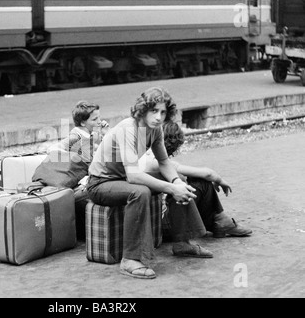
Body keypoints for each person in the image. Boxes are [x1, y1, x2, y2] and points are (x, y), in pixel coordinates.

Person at [86, 87, 213, 280]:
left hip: (121, 180)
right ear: (142, 110)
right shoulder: (129, 127)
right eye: (154, 111)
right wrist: (171, 188)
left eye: (163, 112)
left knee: (181, 182)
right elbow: (134, 176)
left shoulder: (155, 130)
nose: (159, 117)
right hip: (100, 184)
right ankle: (130, 259)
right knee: (140, 192)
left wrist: (177, 182)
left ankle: (182, 242)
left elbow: (164, 163)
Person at [161, 120, 252, 238]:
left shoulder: (149, 158)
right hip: (166, 226)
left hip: (162, 222)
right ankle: (220, 223)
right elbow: (208, 174)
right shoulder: (163, 163)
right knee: (203, 183)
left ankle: (219, 222)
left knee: (193, 181)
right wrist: (220, 181)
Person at [32, 100, 109, 240]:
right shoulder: (77, 135)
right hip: (75, 177)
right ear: (83, 123)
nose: (99, 121)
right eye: (95, 119)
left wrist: (104, 134)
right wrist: (73, 157)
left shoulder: (90, 134)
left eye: (99, 117)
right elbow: (53, 149)